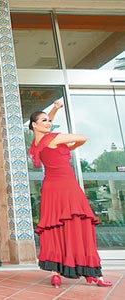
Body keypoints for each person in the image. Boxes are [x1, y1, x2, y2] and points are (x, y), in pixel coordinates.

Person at [28, 100, 112, 288]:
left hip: (50, 189)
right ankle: (93, 274)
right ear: (34, 124)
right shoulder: (55, 138)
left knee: (55, 227)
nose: (49, 123)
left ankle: (56, 273)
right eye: (44, 121)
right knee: (79, 226)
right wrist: (70, 146)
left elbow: (45, 125)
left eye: (49, 121)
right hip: (67, 187)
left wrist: (55, 110)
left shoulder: (36, 143)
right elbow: (83, 137)